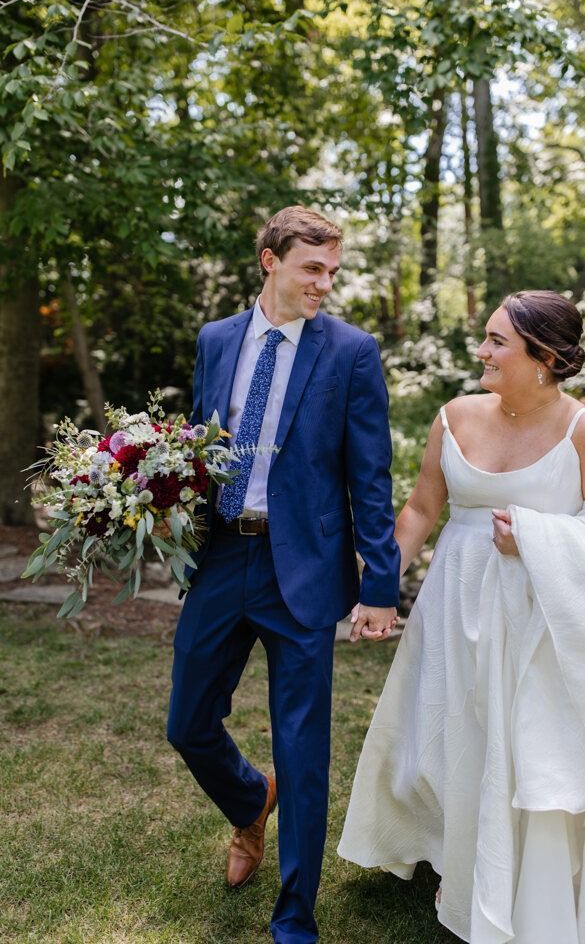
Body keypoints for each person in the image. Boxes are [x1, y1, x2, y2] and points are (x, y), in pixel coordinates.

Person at [339, 290, 585, 943]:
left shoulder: (584, 430)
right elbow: (421, 509)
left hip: (537, 622)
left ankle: (511, 874)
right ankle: (454, 856)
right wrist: (379, 590)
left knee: (517, 747)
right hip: (452, 606)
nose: (481, 351)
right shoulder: (455, 416)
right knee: (448, 735)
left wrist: (537, 537)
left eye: (496, 341)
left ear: (543, 358)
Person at [166, 205, 400, 944]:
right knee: (187, 723)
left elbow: (370, 476)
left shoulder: (351, 352)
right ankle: (249, 801)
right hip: (220, 557)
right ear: (270, 261)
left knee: (302, 749)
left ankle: (295, 916)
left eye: (332, 271)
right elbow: (199, 442)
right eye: (312, 268)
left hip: (303, 568)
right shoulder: (216, 339)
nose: (324, 283)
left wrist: (380, 584)